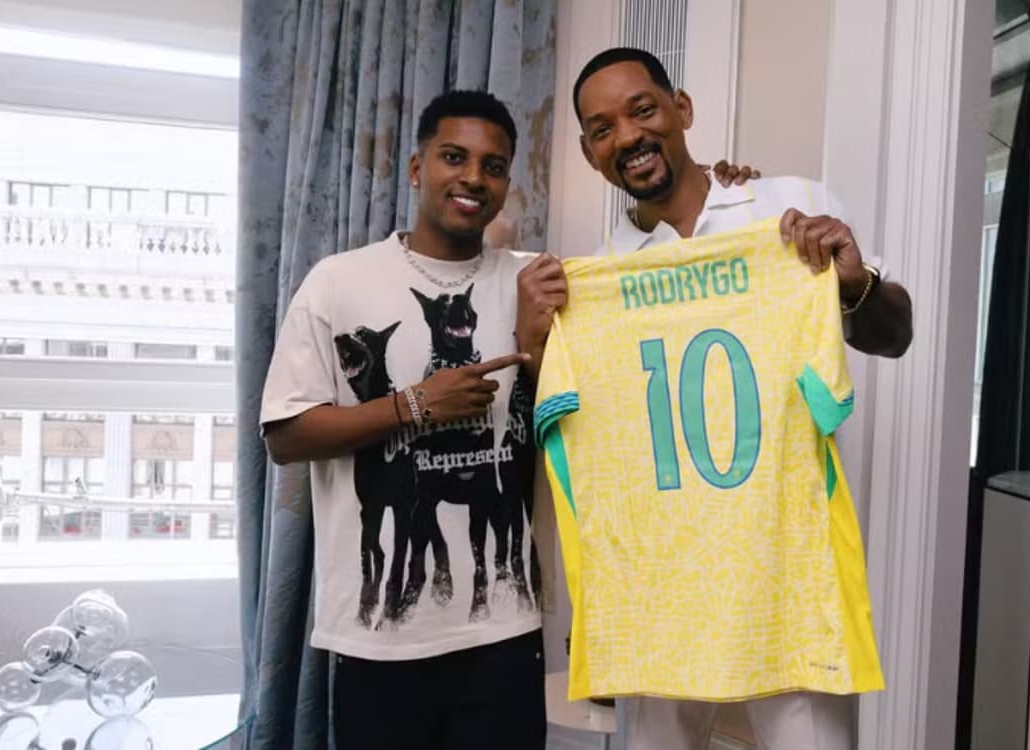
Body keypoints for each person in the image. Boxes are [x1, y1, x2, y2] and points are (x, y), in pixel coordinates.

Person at [259, 88, 761, 750]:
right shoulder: (338, 281)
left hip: (507, 633)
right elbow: (286, 436)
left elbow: (607, 402)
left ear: (507, 185)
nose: (473, 177)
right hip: (377, 637)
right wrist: (415, 405)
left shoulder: (544, 282)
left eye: (493, 167)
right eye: (453, 157)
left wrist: (729, 196)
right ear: (416, 168)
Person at [514, 48, 914, 750]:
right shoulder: (598, 277)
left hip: (784, 570)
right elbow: (569, 431)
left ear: (683, 109)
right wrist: (535, 340)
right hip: (658, 582)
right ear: (587, 152)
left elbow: (895, 333)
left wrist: (854, 283)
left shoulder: (788, 210)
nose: (628, 136)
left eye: (643, 110)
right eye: (603, 128)